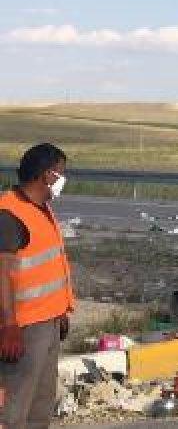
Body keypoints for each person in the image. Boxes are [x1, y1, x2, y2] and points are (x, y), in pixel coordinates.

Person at [1, 144, 75, 429]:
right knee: (13, 411)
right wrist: (9, 326)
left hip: (47, 323)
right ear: (48, 175)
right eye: (62, 173)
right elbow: (2, 274)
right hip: (22, 329)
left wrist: (60, 312)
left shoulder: (41, 210)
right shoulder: (9, 215)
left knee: (39, 409)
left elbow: (46, 269)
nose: (63, 179)